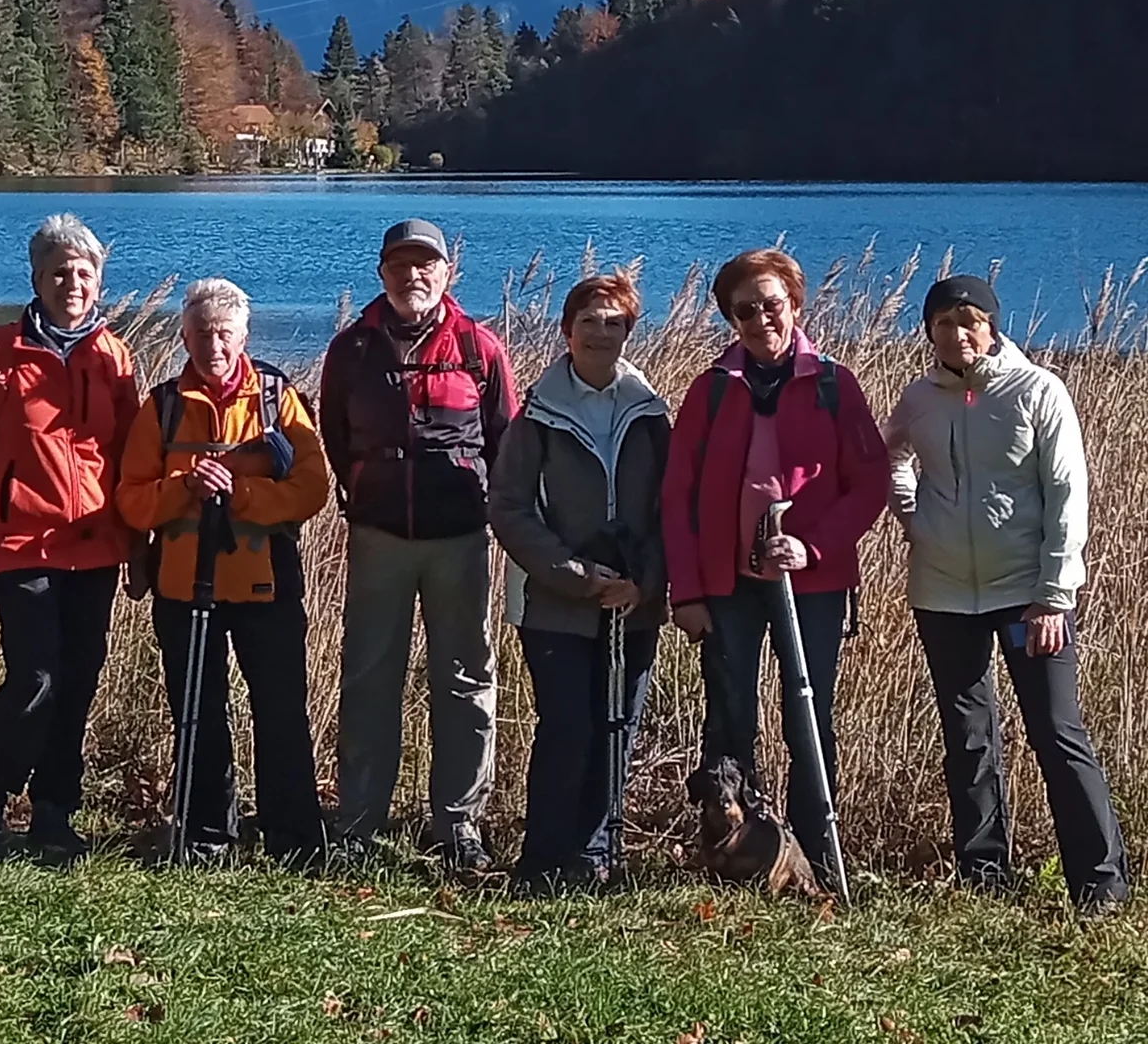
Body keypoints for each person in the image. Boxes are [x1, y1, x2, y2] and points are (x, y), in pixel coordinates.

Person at [885, 276, 1129, 914]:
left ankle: (1099, 882)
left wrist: (1053, 594)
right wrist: (912, 514)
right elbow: (893, 456)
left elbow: (1068, 497)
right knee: (967, 736)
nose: (958, 334)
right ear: (930, 332)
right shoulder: (919, 398)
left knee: (1056, 730)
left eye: (970, 321)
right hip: (941, 594)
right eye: (943, 323)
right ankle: (984, 872)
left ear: (993, 326)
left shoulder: (1038, 391)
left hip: (1028, 595)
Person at [662, 247, 889, 880]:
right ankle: (735, 854)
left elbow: (869, 484)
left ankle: (813, 858)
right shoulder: (710, 390)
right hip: (726, 583)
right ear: (729, 318)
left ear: (794, 304)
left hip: (810, 586)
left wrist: (813, 545)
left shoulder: (833, 385)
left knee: (808, 716)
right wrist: (687, 591)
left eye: (772, 304)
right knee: (729, 713)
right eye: (745, 310)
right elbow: (678, 495)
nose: (761, 319)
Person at [0, 213, 140, 863]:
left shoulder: (114, 355)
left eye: (83, 273)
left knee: (78, 680)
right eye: (59, 273)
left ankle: (54, 811)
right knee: (34, 677)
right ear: (36, 279)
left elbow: (132, 459)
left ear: (99, 282)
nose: (71, 284)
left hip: (96, 547)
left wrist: (136, 546)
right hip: (20, 544)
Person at [320, 218, 518, 871]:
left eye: (425, 265)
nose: (413, 276)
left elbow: (505, 444)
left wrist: (490, 512)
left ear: (447, 273)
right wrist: (360, 489)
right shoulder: (351, 350)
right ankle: (357, 822)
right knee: (370, 676)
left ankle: (459, 822)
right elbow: (333, 434)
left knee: (465, 679)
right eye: (400, 266)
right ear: (382, 274)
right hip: (378, 535)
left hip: (459, 539)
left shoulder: (478, 348)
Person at [118, 278, 330, 865]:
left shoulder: (276, 397)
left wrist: (243, 494)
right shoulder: (161, 407)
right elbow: (131, 500)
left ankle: (295, 840)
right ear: (184, 336)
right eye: (203, 333)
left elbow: (313, 485)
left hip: (267, 582)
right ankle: (208, 836)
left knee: (282, 709)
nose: (214, 344)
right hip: (185, 585)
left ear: (244, 335)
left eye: (225, 333)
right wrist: (184, 488)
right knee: (197, 714)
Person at [490, 274, 669, 892]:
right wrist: (576, 575)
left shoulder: (650, 413)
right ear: (567, 331)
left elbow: (672, 509)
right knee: (567, 727)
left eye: (613, 322)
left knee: (618, 727)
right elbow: (509, 508)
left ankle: (595, 858)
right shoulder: (537, 413)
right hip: (555, 604)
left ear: (629, 332)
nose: (600, 332)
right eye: (588, 320)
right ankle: (541, 861)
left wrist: (644, 584)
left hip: (633, 606)